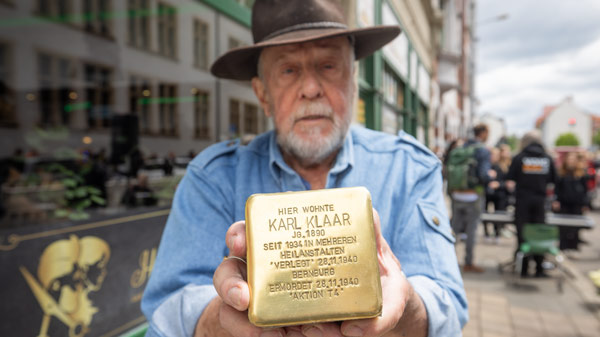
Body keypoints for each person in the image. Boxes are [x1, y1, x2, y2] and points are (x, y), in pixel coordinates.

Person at [141, 1, 467, 336]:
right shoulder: (212, 178)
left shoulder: (409, 169)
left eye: (328, 65)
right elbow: (165, 317)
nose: (311, 89)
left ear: (353, 82)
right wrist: (223, 317)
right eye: (288, 70)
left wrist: (404, 306)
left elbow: (448, 311)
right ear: (262, 94)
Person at [506, 130, 556, 277]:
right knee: (539, 234)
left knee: (523, 235)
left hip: (522, 202)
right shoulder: (547, 158)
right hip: (540, 202)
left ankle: (523, 268)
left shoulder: (519, 157)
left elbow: (510, 178)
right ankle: (539, 268)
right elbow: (553, 180)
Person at [449, 124, 496, 273]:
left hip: (457, 194)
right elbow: (483, 174)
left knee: (454, 230)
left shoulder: (461, 148)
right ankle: (468, 263)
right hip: (473, 195)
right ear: (482, 133)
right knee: (471, 230)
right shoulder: (482, 150)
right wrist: (491, 178)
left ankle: (447, 262)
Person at [553, 151, 589, 250]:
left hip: (576, 204)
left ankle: (573, 247)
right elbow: (557, 188)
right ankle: (563, 247)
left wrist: (585, 204)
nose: (571, 161)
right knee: (563, 227)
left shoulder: (581, 174)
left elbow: (585, 190)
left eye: (573, 159)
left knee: (575, 227)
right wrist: (556, 200)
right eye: (569, 159)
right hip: (564, 203)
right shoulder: (561, 173)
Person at [483, 146, 510, 242]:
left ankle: (497, 233)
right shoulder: (487, 166)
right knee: (485, 213)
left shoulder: (503, 167)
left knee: (498, 214)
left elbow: (507, 182)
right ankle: (486, 233)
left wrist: (498, 184)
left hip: (499, 194)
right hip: (488, 193)